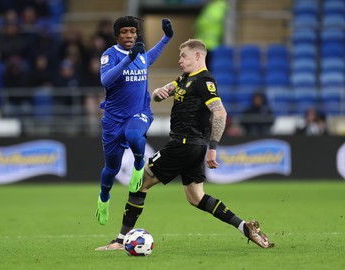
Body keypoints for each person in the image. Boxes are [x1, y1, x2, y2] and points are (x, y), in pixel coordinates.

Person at [95, 39, 274, 250]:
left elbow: (220, 113)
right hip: (192, 148)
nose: (180, 60)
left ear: (198, 56)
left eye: (183, 56)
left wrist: (213, 148)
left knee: (139, 184)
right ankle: (245, 227)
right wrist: (158, 93)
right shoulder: (186, 78)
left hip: (183, 145)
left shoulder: (204, 81)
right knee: (196, 197)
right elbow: (161, 93)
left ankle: (120, 241)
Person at [96, 16, 174, 225]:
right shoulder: (110, 55)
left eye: (132, 31)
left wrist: (167, 38)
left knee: (133, 135)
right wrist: (129, 58)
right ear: (117, 35)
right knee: (111, 169)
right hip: (113, 120)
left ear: (137, 33)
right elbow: (106, 80)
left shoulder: (140, 54)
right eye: (124, 32)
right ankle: (104, 198)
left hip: (140, 112)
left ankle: (139, 166)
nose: (129, 35)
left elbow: (150, 57)